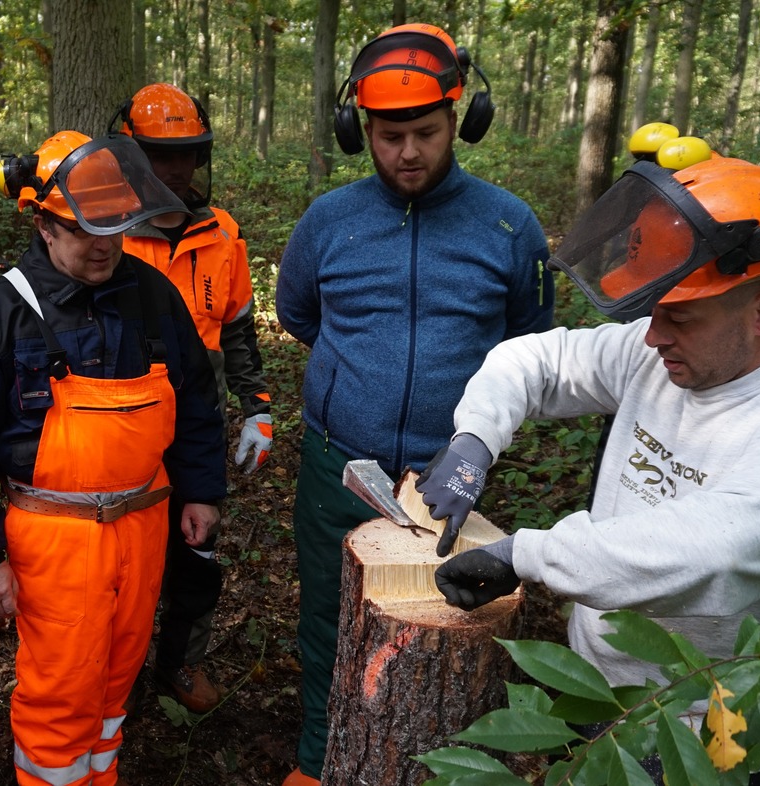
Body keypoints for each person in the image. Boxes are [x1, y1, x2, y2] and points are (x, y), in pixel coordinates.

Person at [426, 153, 760, 786]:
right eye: (653, 310)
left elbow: (708, 550)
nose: (651, 336)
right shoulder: (661, 354)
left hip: (709, 734)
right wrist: (475, 437)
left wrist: (522, 556)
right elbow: (540, 360)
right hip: (598, 692)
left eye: (680, 316)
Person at [274, 22, 555, 785]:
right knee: (328, 614)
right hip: (340, 461)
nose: (407, 152)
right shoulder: (329, 221)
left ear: (458, 120)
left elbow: (533, 345)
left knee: (456, 626)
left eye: (425, 133)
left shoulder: (507, 224)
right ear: (358, 129)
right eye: (389, 135)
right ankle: (316, 756)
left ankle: (447, 763)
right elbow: (297, 314)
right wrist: (352, 382)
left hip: (452, 470)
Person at [0, 130, 227, 786]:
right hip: (52, 538)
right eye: (82, 228)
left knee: (115, 679)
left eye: (115, 226)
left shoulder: (152, 297)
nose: (102, 244)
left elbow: (195, 404)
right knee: (61, 691)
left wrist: (201, 490)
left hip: (144, 521)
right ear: (42, 223)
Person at [111, 82, 272, 712]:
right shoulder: (109, 230)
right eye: (160, 156)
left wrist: (257, 405)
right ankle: (113, 668)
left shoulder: (222, 233)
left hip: (196, 420)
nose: (176, 170)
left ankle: (181, 661)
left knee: (197, 550)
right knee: (122, 557)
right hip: (123, 420)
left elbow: (237, 329)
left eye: (186, 156)